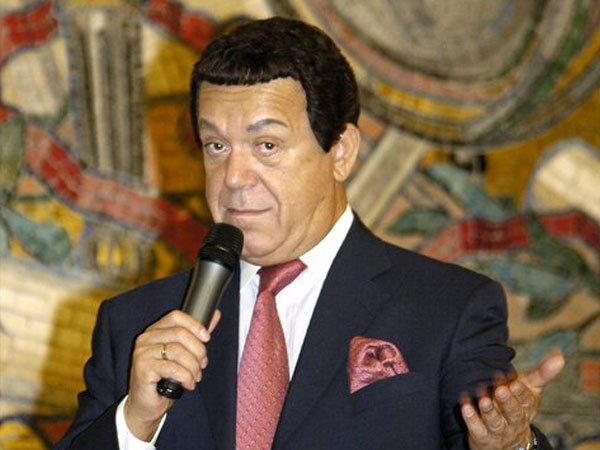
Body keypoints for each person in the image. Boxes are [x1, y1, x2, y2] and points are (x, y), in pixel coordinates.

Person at [54, 17, 564, 450]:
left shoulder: (446, 310)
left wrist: (511, 445)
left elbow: (492, 426)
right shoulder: (137, 324)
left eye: (267, 146)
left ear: (340, 152)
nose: (234, 177)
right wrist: (135, 422)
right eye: (216, 146)